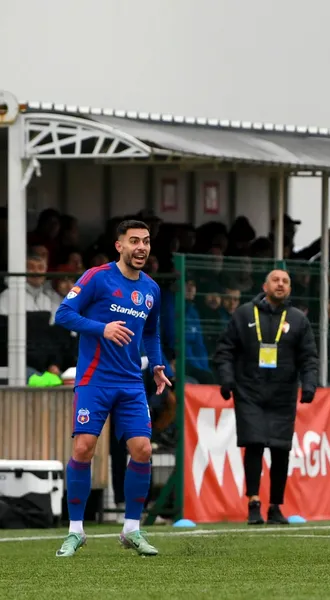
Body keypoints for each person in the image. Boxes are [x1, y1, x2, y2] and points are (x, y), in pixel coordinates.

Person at [53, 219, 170, 557]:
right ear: (119, 246)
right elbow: (63, 314)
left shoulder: (151, 289)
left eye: (146, 241)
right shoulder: (97, 277)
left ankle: (131, 528)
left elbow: (152, 332)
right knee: (83, 448)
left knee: (143, 450)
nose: (141, 247)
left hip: (131, 382)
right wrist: (101, 328)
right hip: (94, 380)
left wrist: (157, 364)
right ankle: (76, 531)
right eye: (134, 241)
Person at [213, 269, 319, 525]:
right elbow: (225, 350)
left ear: (290, 288)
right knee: (254, 444)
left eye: (285, 281)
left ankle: (275, 507)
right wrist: (227, 380)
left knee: (281, 449)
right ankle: (253, 503)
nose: (280, 284)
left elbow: (308, 357)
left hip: (283, 394)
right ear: (265, 285)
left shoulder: (297, 319)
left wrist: (309, 385)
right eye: (276, 280)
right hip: (249, 391)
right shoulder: (244, 314)